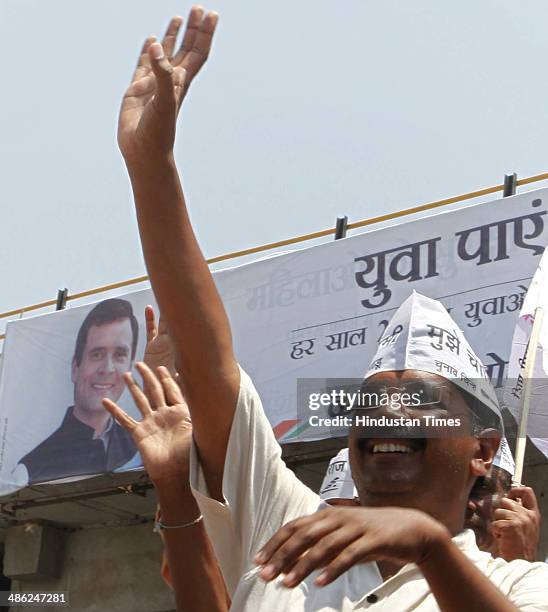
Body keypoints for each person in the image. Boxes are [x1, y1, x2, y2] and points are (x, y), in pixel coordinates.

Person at [112, 7, 548, 610]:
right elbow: (211, 361)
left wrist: (431, 548)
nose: (387, 412)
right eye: (369, 401)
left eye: (420, 399)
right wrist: (149, 163)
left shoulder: (520, 584)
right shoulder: (283, 537)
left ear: (482, 449)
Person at [18, 298, 138, 483]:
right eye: (97, 354)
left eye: (119, 355)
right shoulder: (32, 469)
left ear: (130, 367)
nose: (107, 368)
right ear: (75, 368)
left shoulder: (138, 446)